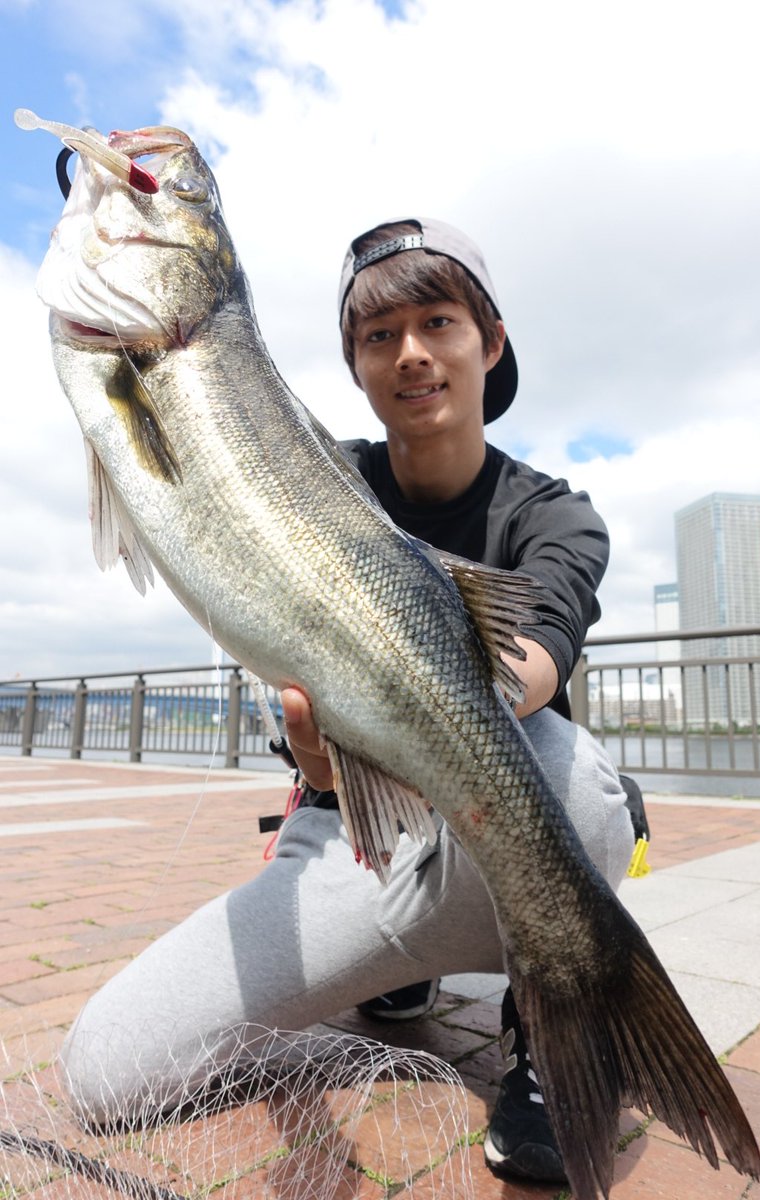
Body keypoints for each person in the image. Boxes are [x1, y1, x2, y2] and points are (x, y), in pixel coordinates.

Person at [60, 218, 635, 1185]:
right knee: (103, 1074)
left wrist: (423, 710)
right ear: (355, 365)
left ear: (490, 344)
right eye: (378, 337)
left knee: (573, 776)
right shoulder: (313, 481)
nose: (411, 354)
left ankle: (555, 1017)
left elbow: (540, 653)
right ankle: (393, 966)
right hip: (349, 848)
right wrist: (322, 759)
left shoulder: (555, 514)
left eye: (439, 322)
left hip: (500, 826)